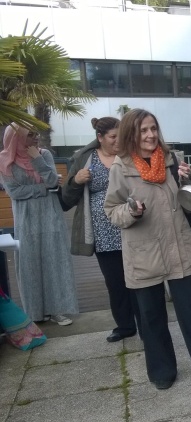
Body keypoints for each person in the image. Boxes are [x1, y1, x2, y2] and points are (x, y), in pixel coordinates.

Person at [105, 109, 191, 390]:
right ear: (131, 134)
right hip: (143, 252)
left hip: (178, 246)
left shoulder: (172, 160)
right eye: (143, 131)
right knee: (151, 317)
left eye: (153, 129)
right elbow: (112, 211)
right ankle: (162, 371)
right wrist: (131, 211)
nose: (150, 135)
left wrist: (188, 180)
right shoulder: (121, 166)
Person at [61, 117, 140, 342]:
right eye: (113, 137)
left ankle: (146, 323)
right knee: (115, 282)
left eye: (120, 136)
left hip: (131, 226)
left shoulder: (129, 156)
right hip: (103, 233)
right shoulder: (85, 159)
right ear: (100, 138)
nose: (118, 141)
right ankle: (125, 326)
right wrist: (75, 181)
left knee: (139, 278)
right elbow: (66, 199)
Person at [0, 124, 78, 326]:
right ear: (16, 138)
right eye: (30, 135)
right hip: (26, 219)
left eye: (36, 133)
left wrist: (37, 159)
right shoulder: (4, 160)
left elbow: (53, 181)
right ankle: (35, 313)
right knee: (29, 265)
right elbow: (15, 193)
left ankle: (57, 310)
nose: (36, 138)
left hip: (51, 215)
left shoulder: (44, 155)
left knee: (55, 261)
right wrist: (42, 189)